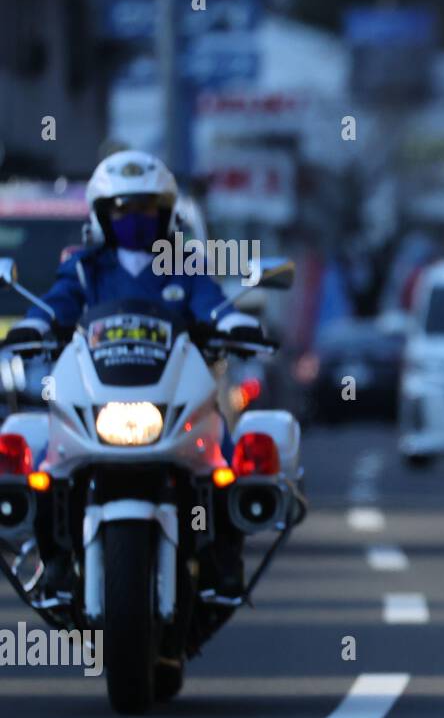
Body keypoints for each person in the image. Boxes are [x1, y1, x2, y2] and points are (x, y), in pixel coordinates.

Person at [2, 149, 267, 602]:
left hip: (170, 396)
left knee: (221, 453)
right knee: (48, 463)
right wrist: (35, 324)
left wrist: (233, 323)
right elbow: (56, 303)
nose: (135, 219)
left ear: (166, 215)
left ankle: (224, 563)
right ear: (103, 215)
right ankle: (59, 564)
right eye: (124, 210)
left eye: (147, 209)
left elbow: (213, 304)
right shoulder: (84, 268)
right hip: (103, 394)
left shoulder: (184, 264)